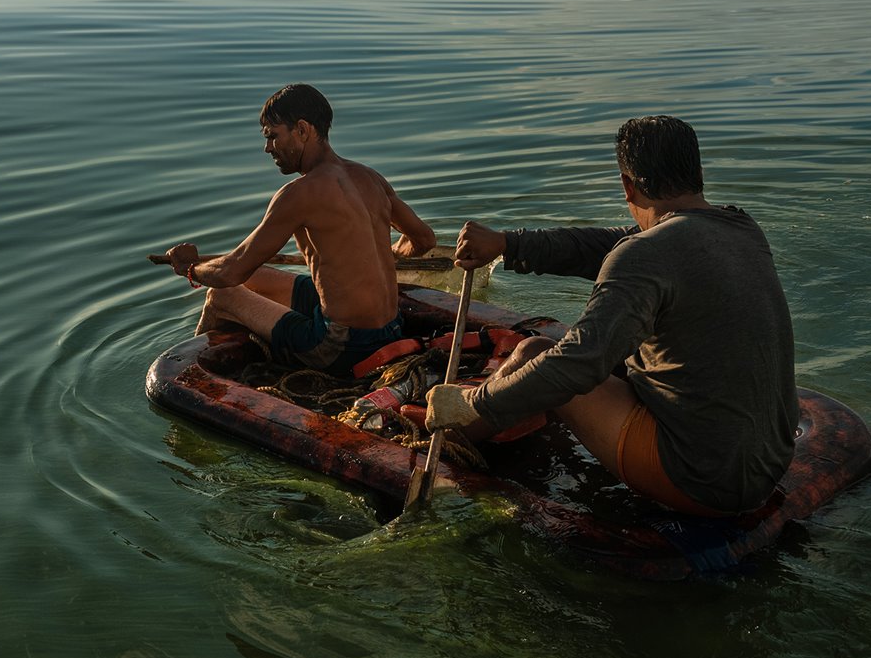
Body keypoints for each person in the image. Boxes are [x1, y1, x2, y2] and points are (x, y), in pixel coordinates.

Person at [426, 116, 797, 517]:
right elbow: (612, 244)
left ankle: (448, 437)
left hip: (702, 480)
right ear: (699, 176)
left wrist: (474, 401)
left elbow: (579, 365)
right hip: (766, 464)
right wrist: (507, 244)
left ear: (627, 186)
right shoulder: (741, 228)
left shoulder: (645, 253)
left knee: (535, 352)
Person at [165, 84, 436, 376]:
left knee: (222, 296)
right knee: (255, 277)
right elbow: (423, 239)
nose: (268, 148)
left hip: (343, 346)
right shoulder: (371, 178)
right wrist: (390, 253)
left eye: (272, 136)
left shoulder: (298, 194)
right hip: (392, 328)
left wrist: (191, 269)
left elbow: (230, 273)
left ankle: (193, 375)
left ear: (303, 130)